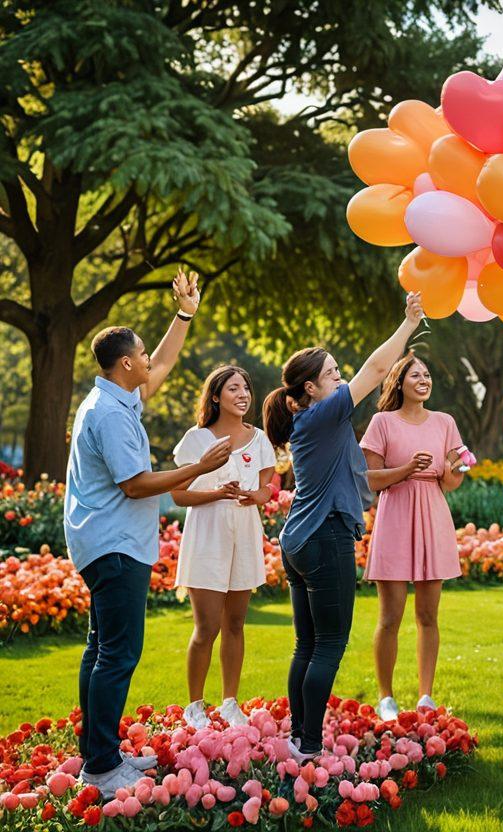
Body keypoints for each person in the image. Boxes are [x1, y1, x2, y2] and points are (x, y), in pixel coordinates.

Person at [65, 268, 231, 798]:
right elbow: (137, 485)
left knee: (101, 649)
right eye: (139, 353)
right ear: (124, 364)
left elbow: (159, 365)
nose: (147, 360)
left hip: (108, 542)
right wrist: (199, 468)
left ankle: (101, 751)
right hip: (115, 545)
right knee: (118, 653)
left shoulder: (117, 398)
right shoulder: (109, 415)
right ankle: (101, 768)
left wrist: (184, 315)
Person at [263, 292, 424, 760]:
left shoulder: (311, 424)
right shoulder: (323, 413)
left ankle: (298, 735)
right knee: (330, 644)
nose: (340, 378)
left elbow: (358, 475)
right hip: (323, 536)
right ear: (311, 388)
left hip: (297, 538)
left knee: (307, 643)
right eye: (332, 373)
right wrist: (408, 324)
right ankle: (310, 746)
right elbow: (375, 371)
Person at [361, 353, 467, 721]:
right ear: (399, 382)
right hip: (394, 513)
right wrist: (406, 469)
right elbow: (370, 479)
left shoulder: (445, 422)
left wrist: (455, 470)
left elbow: (451, 481)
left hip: (432, 514)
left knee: (428, 615)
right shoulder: (382, 422)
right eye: (415, 375)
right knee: (390, 616)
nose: (424, 379)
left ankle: (425, 695)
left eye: (427, 374)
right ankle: (386, 696)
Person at [172, 365, 277, 729]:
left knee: (236, 622)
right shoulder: (196, 439)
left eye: (246, 388)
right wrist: (218, 493)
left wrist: (256, 496)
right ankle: (194, 706)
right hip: (207, 535)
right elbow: (178, 494)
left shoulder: (259, 439)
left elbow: (267, 488)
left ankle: (230, 702)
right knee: (207, 627)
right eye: (234, 388)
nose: (243, 394)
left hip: (244, 533)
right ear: (216, 397)